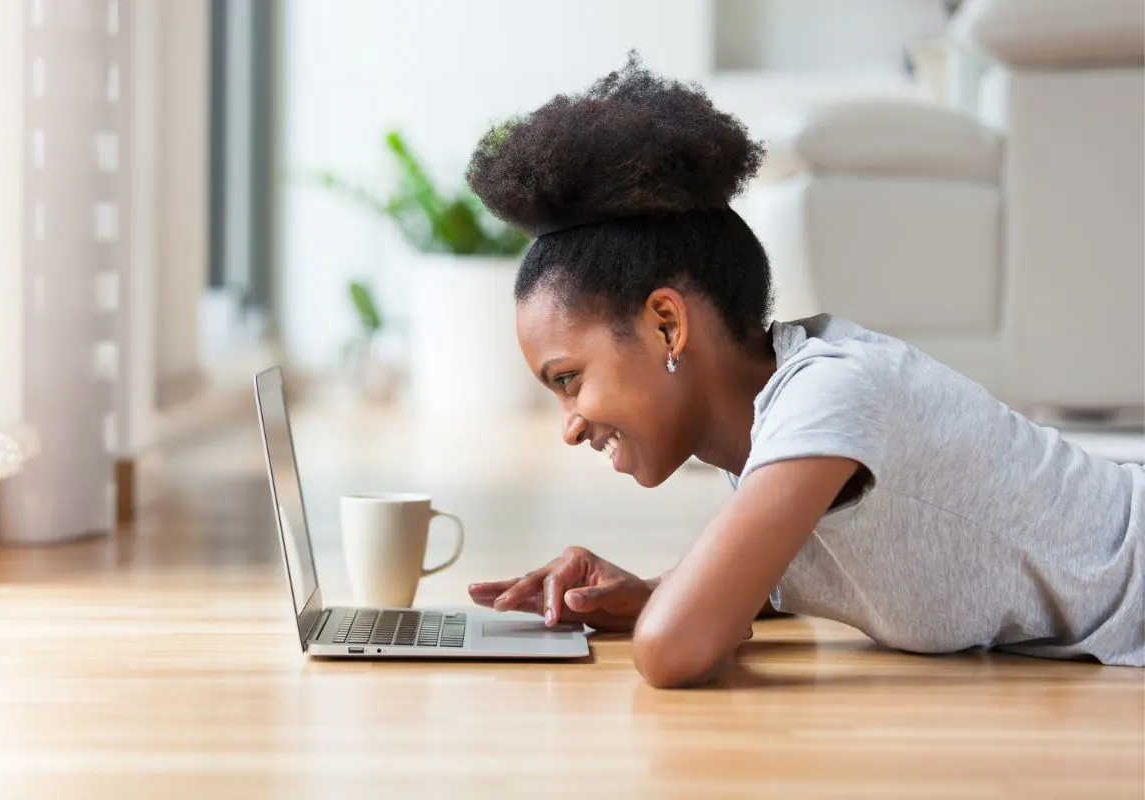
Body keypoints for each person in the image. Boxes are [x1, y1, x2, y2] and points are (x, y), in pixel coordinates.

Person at [462, 53, 1144, 688]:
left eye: (568, 379)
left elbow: (675, 650)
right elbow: (770, 582)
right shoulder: (770, 422)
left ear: (666, 324)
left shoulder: (827, 393)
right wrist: (649, 591)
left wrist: (676, 611)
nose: (569, 427)